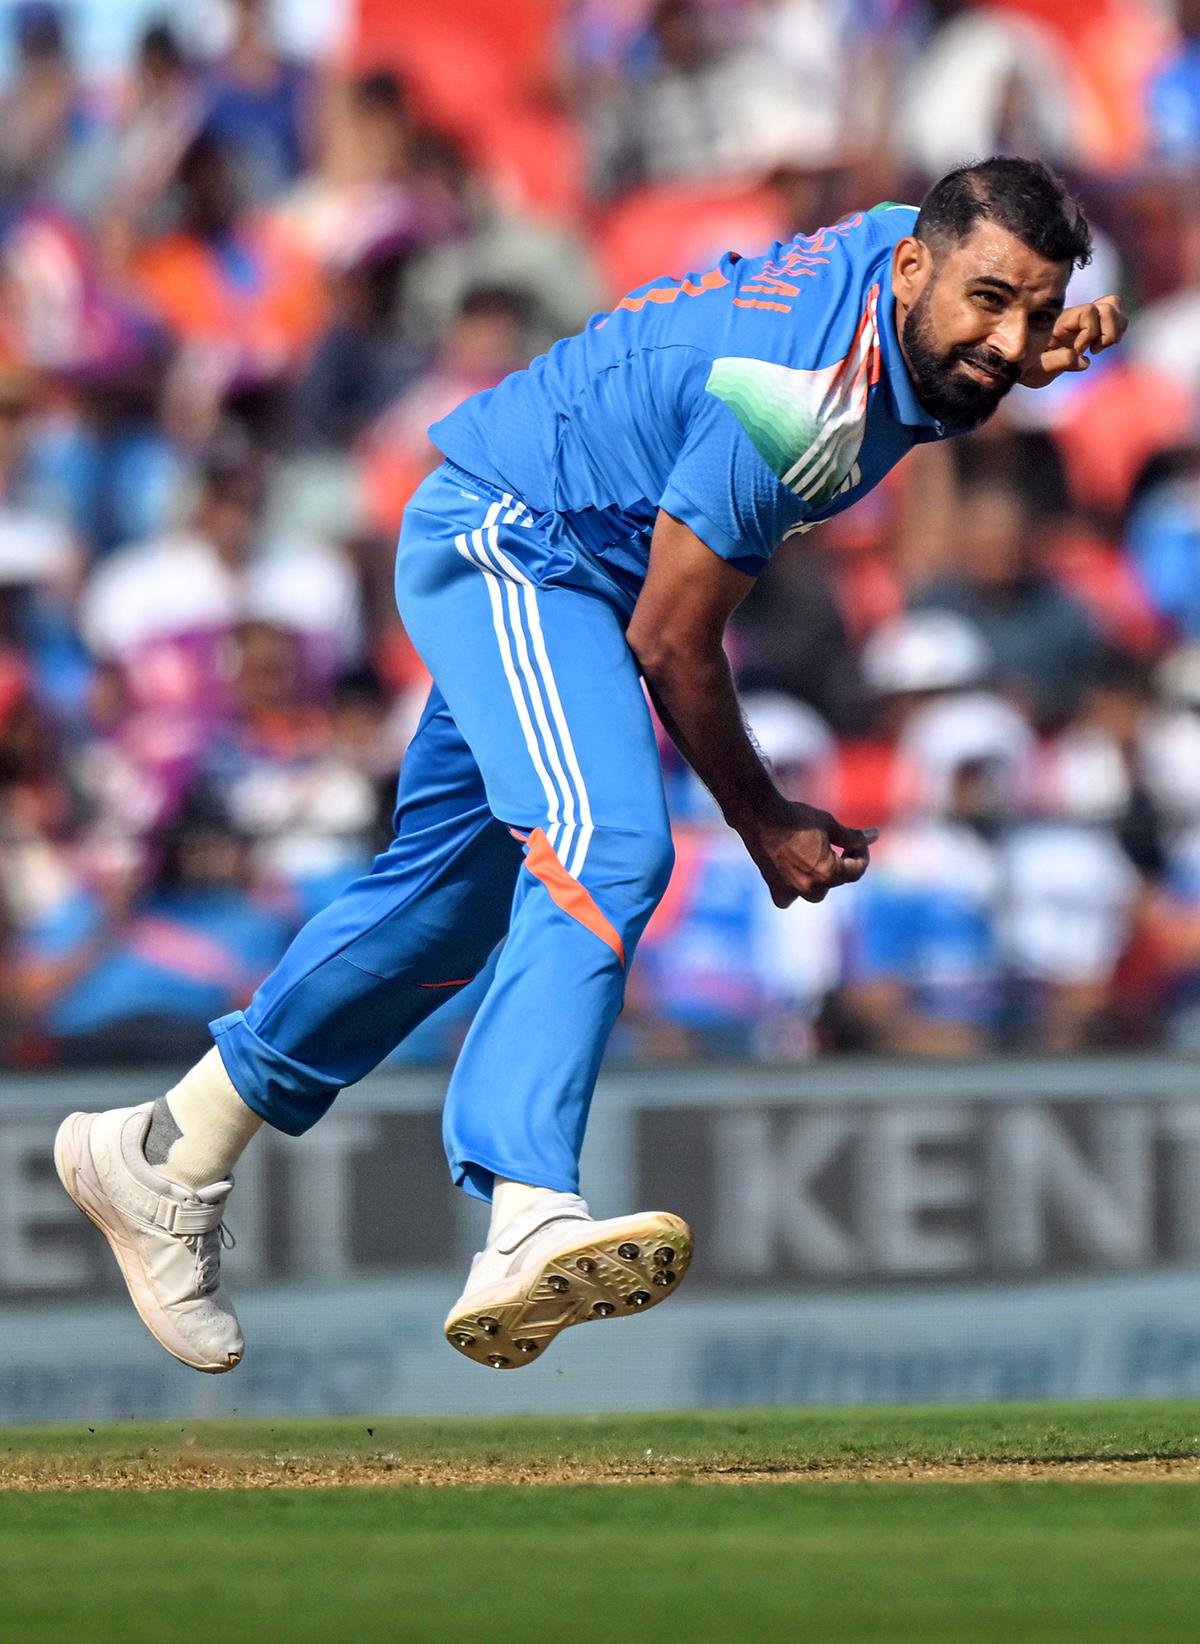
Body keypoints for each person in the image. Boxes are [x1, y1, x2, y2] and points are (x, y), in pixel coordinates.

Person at [54, 157, 1125, 1376]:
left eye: (1036, 310)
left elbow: (949, 333)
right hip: (518, 543)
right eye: (992, 299)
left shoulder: (908, 251)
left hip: (570, 565)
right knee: (608, 842)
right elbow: (674, 642)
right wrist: (765, 817)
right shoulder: (795, 393)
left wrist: (1016, 345)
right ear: (920, 264)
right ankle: (523, 1209)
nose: (1010, 334)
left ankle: (165, 1153)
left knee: (443, 913)